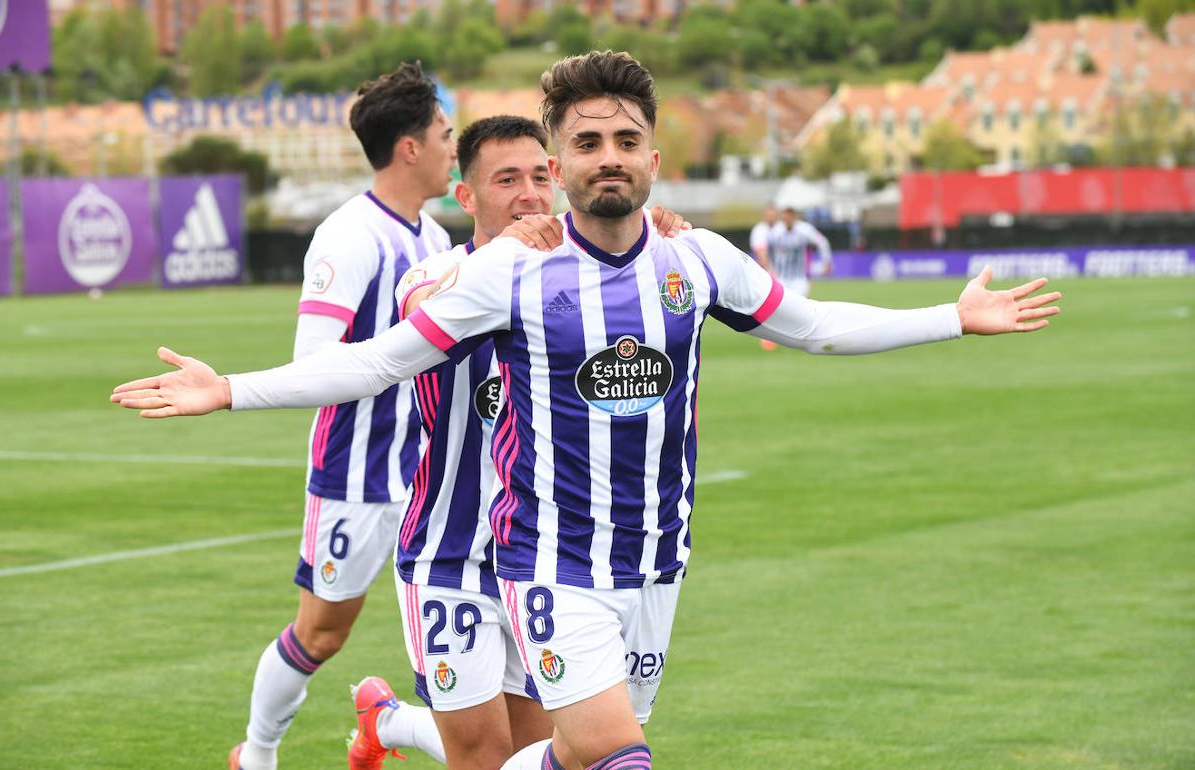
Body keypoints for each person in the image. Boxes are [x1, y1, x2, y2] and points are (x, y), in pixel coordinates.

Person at [112, 51, 1060, 770]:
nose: (608, 159)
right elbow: (376, 362)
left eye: (625, 140)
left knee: (567, 754)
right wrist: (230, 388)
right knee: (618, 759)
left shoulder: (698, 261)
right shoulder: (506, 273)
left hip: (657, 560)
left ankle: (390, 729)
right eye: (584, 144)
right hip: (548, 567)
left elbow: (813, 326)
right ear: (559, 162)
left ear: (654, 153)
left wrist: (952, 317)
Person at [360, 114, 688, 770]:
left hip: (549, 556)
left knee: (545, 752)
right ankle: (392, 721)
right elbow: (423, 306)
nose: (530, 194)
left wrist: (661, 241)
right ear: (467, 196)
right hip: (453, 553)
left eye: (540, 175)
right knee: (481, 756)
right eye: (507, 180)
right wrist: (505, 254)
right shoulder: (435, 275)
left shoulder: (584, 280)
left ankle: (388, 720)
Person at [229, 62, 454, 770]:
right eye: (446, 135)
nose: (455, 148)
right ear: (410, 147)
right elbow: (313, 363)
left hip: (429, 479)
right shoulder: (349, 236)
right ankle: (257, 756)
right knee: (321, 636)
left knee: (459, 647)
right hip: (357, 476)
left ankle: (389, 723)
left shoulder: (436, 241)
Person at [750, 204, 833, 349]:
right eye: (784, 218)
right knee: (775, 309)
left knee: (800, 310)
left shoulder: (804, 230)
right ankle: (770, 338)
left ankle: (802, 338)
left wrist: (826, 261)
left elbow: (822, 242)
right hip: (781, 278)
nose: (786, 221)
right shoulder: (775, 232)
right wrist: (768, 269)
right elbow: (763, 250)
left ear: (793, 218)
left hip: (800, 278)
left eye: (789, 218)